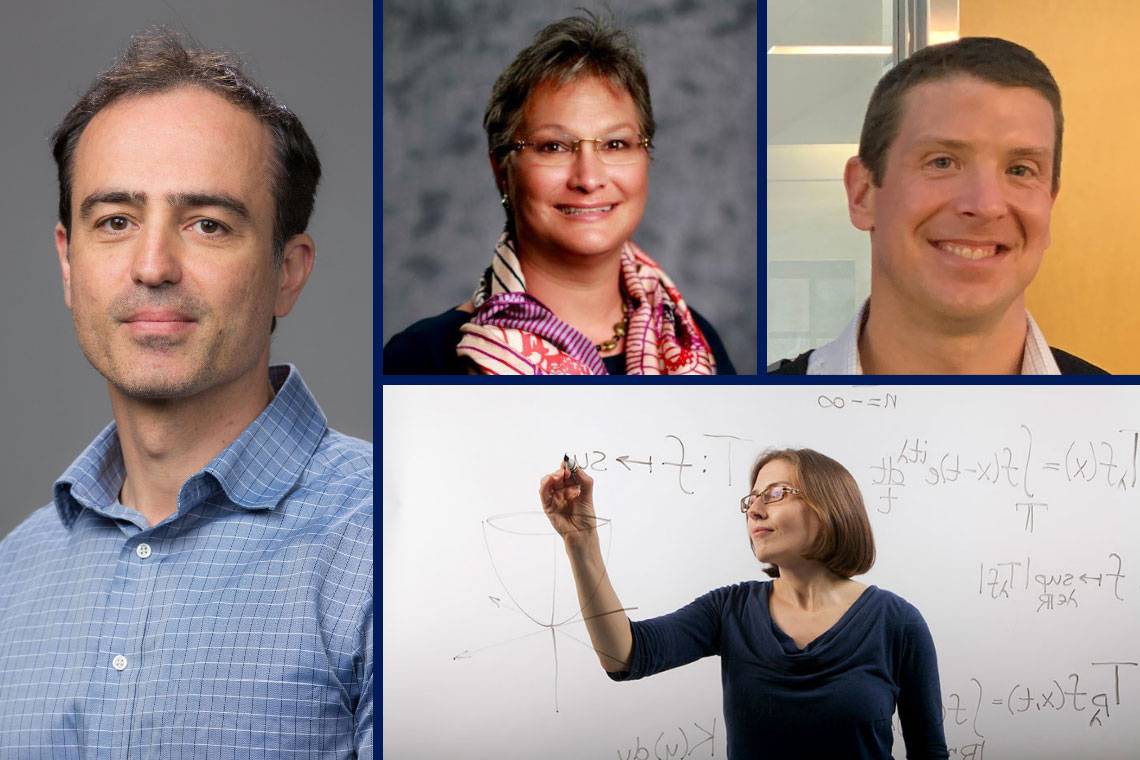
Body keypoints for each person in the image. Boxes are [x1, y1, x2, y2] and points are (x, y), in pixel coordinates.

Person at [0, 30, 372, 758]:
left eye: (207, 224)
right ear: (68, 264)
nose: (152, 265)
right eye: (115, 222)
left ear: (288, 271)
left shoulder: (389, 545)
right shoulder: (14, 577)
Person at [384, 12, 735, 375]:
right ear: (501, 170)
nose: (589, 178)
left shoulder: (698, 343)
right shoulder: (423, 359)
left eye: (615, 143)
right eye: (554, 147)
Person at [540, 448, 948, 758]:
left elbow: (929, 752)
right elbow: (624, 655)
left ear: (830, 507)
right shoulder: (729, 610)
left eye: (776, 493)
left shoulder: (897, 623)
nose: (754, 508)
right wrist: (582, 542)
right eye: (750, 499)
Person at [769, 37, 1107, 375]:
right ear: (862, 193)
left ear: (1049, 204)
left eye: (1020, 170)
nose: (986, 205)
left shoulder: (1121, 417)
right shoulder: (744, 417)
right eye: (942, 162)